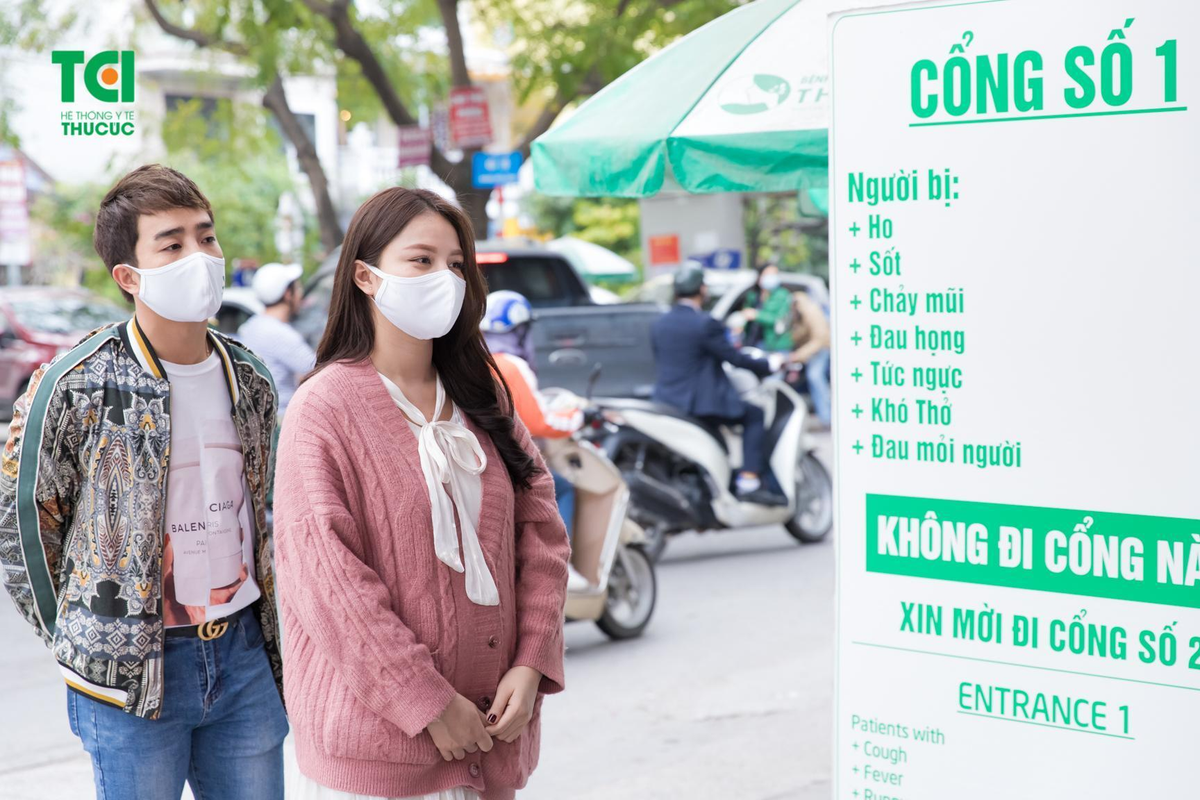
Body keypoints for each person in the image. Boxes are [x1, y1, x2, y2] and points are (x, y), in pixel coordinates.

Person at [0, 164, 288, 798]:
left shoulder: (251, 378)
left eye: (206, 237)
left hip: (243, 656)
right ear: (129, 276)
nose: (199, 257)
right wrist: (83, 639)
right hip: (131, 678)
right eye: (172, 244)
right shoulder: (75, 383)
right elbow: (24, 525)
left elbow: (269, 511)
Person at [273, 187, 569, 800]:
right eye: (422, 260)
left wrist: (531, 661)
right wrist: (426, 701)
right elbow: (329, 585)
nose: (445, 278)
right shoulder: (324, 409)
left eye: (456, 264)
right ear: (365, 276)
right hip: (377, 763)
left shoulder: (483, 398)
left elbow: (542, 536)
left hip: (489, 744)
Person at [480, 289, 591, 593]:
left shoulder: (474, 361)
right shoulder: (512, 366)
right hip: (511, 462)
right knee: (561, 488)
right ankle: (560, 562)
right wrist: (578, 416)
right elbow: (540, 422)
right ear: (520, 331)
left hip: (481, 461)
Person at [650, 263, 787, 506]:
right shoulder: (704, 323)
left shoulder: (659, 324)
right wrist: (770, 365)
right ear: (702, 289)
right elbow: (734, 358)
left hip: (666, 400)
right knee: (754, 415)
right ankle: (749, 481)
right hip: (700, 403)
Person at [238, 261, 316, 422]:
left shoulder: (252, 325)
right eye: (297, 288)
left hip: (258, 418)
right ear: (288, 294)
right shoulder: (281, 334)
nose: (300, 294)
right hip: (281, 418)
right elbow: (317, 369)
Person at [790, 289, 832, 429]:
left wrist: (799, 355)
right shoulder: (798, 314)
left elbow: (819, 339)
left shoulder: (811, 312)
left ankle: (827, 418)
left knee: (815, 376)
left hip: (822, 347)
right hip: (810, 349)